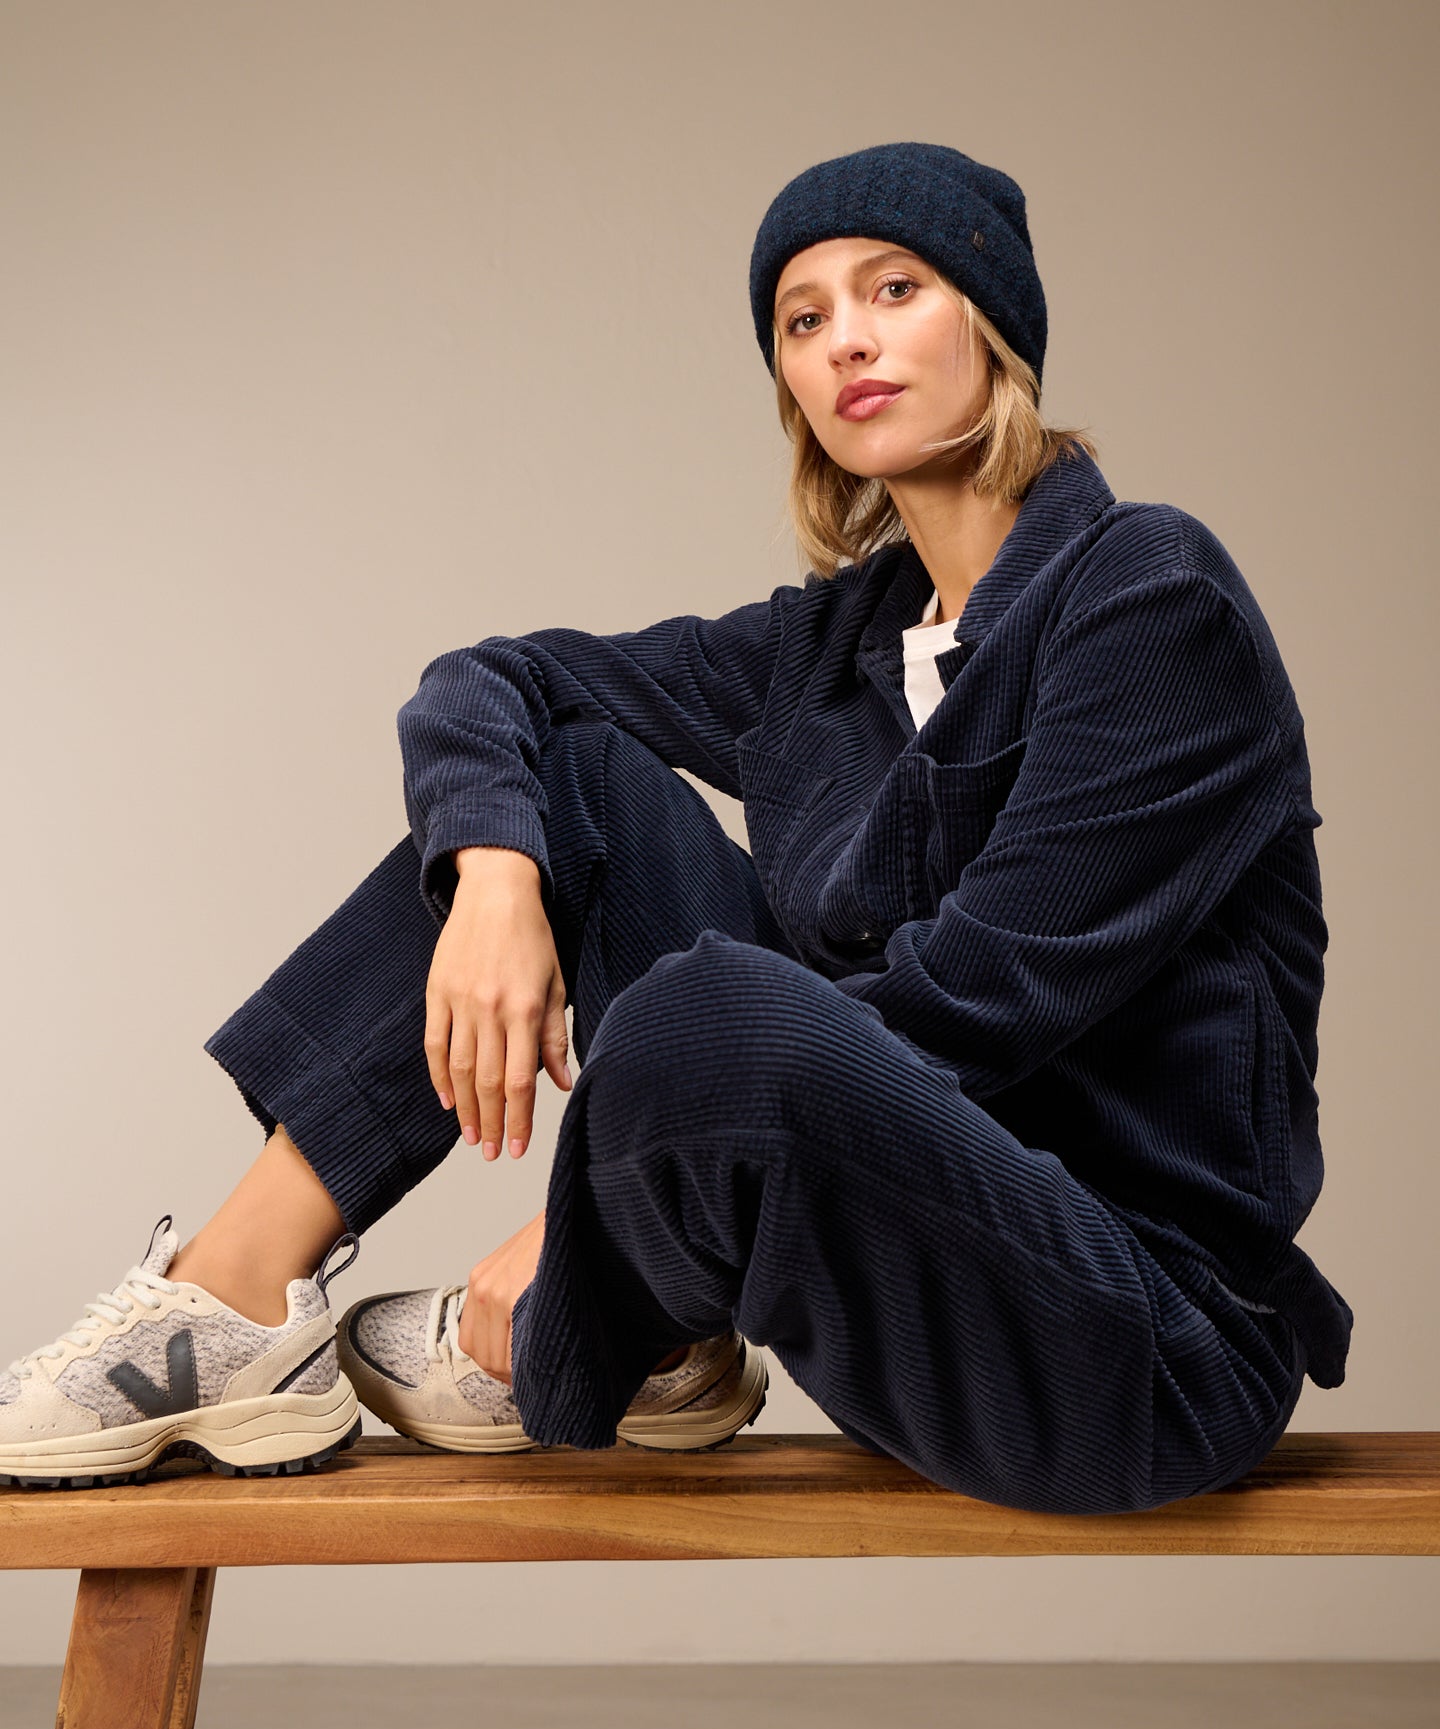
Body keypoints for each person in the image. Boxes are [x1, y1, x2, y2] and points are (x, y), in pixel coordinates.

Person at [0, 141, 1353, 1515]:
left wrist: (588, 1220)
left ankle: (610, 1319)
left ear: (994, 323)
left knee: (717, 1013)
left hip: (1128, 1340)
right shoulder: (832, 648)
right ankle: (227, 1307)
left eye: (894, 290)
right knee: (564, 787)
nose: (847, 342)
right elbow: (494, 680)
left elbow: (981, 1003)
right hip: (887, 1269)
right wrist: (494, 878)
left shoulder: (1149, 596)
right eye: (803, 320)